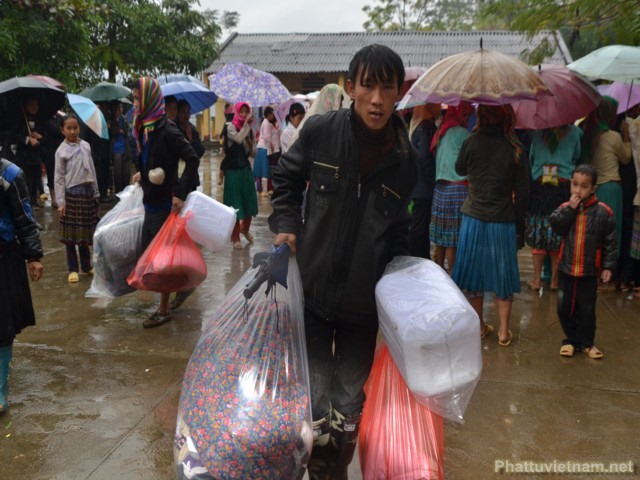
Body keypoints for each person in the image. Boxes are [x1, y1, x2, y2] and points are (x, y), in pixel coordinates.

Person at [269, 44, 418, 478]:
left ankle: (334, 468)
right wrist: (286, 223)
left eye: (387, 88)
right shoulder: (321, 132)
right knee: (316, 400)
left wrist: (404, 288)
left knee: (348, 404)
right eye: (367, 86)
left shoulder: (406, 161)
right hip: (313, 294)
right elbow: (286, 178)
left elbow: (400, 230)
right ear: (351, 87)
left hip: (362, 307)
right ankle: (319, 468)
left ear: (399, 92)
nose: (377, 99)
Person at [451, 104, 530, 348]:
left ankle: (479, 327)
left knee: (473, 275)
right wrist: (519, 225)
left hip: (473, 218)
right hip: (502, 220)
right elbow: (524, 193)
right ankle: (504, 332)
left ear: (481, 116)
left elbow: (459, 169)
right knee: (502, 275)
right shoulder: (515, 147)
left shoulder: (471, 141)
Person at [131, 77, 200, 327]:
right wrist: (142, 173)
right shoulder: (143, 128)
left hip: (165, 203)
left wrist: (180, 193)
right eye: (134, 99)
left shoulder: (168, 130)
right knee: (153, 255)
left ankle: (163, 310)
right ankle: (184, 285)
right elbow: (148, 158)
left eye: (137, 99)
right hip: (150, 200)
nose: (134, 104)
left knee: (161, 260)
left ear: (149, 99)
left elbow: (192, 158)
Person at [550, 164, 617, 359]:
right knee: (563, 308)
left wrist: (607, 266)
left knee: (587, 310)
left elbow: (610, 243)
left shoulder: (604, 212)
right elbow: (556, 226)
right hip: (566, 269)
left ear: (593, 188)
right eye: (575, 184)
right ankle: (571, 340)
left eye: (584, 186)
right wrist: (570, 210)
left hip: (589, 271)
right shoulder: (565, 208)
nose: (578, 190)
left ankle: (587, 343)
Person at [0, 157, 44, 414]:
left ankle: (0, 388)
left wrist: (33, 256)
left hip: (4, 258)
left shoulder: (10, 174)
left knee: (3, 327)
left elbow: (25, 218)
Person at [525, 125, 582, 291]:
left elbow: (532, 158)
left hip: (540, 188)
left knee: (539, 234)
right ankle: (555, 282)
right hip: (563, 189)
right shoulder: (576, 133)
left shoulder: (537, 132)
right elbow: (577, 156)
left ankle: (537, 280)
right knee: (557, 235)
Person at [580, 96, 632, 261]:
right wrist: (626, 137)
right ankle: (607, 269)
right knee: (611, 234)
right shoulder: (613, 136)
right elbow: (626, 158)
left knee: (595, 232)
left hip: (592, 190)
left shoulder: (587, 134)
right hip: (611, 188)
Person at [54, 114, 100, 284]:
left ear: (79, 128)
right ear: (62, 130)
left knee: (84, 233)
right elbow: (58, 178)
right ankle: (72, 269)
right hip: (71, 195)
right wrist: (61, 202)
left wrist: (96, 192)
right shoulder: (61, 151)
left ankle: (86, 266)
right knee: (71, 235)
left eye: (75, 127)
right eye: (69, 128)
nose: (72, 131)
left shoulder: (86, 146)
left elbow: (92, 170)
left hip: (87, 193)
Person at [429, 103, 474, 272]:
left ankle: (440, 269)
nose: (467, 118)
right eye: (466, 115)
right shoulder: (463, 134)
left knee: (441, 235)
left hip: (440, 189)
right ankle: (452, 273)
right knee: (453, 238)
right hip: (457, 190)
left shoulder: (440, 131)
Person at [220, 102, 258, 249]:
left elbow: (253, 153)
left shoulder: (250, 130)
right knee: (235, 205)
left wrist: (250, 142)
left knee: (250, 202)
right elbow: (237, 139)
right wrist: (246, 127)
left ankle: (245, 229)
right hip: (233, 171)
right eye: (241, 111)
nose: (243, 114)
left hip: (246, 170)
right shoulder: (230, 127)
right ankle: (235, 237)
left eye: (246, 112)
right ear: (236, 112)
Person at [407, 103, 440, 258]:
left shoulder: (417, 127)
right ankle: (416, 260)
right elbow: (424, 156)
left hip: (418, 187)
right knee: (419, 230)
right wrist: (432, 175)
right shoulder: (426, 128)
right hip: (424, 188)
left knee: (420, 228)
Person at [254, 106, 280, 196]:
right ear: (268, 114)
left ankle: (260, 189)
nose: (273, 116)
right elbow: (267, 137)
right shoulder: (266, 123)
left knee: (260, 169)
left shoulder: (266, 123)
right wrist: (271, 145)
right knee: (264, 169)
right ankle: (263, 190)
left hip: (262, 147)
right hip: (264, 148)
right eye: (272, 114)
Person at [109, 102, 133, 195]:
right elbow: (111, 131)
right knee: (118, 173)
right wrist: (118, 130)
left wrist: (121, 130)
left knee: (126, 172)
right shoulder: (111, 120)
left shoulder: (124, 119)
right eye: (118, 108)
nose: (120, 110)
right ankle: (118, 192)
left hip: (125, 147)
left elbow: (127, 131)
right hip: (116, 149)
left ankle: (126, 191)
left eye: (121, 108)